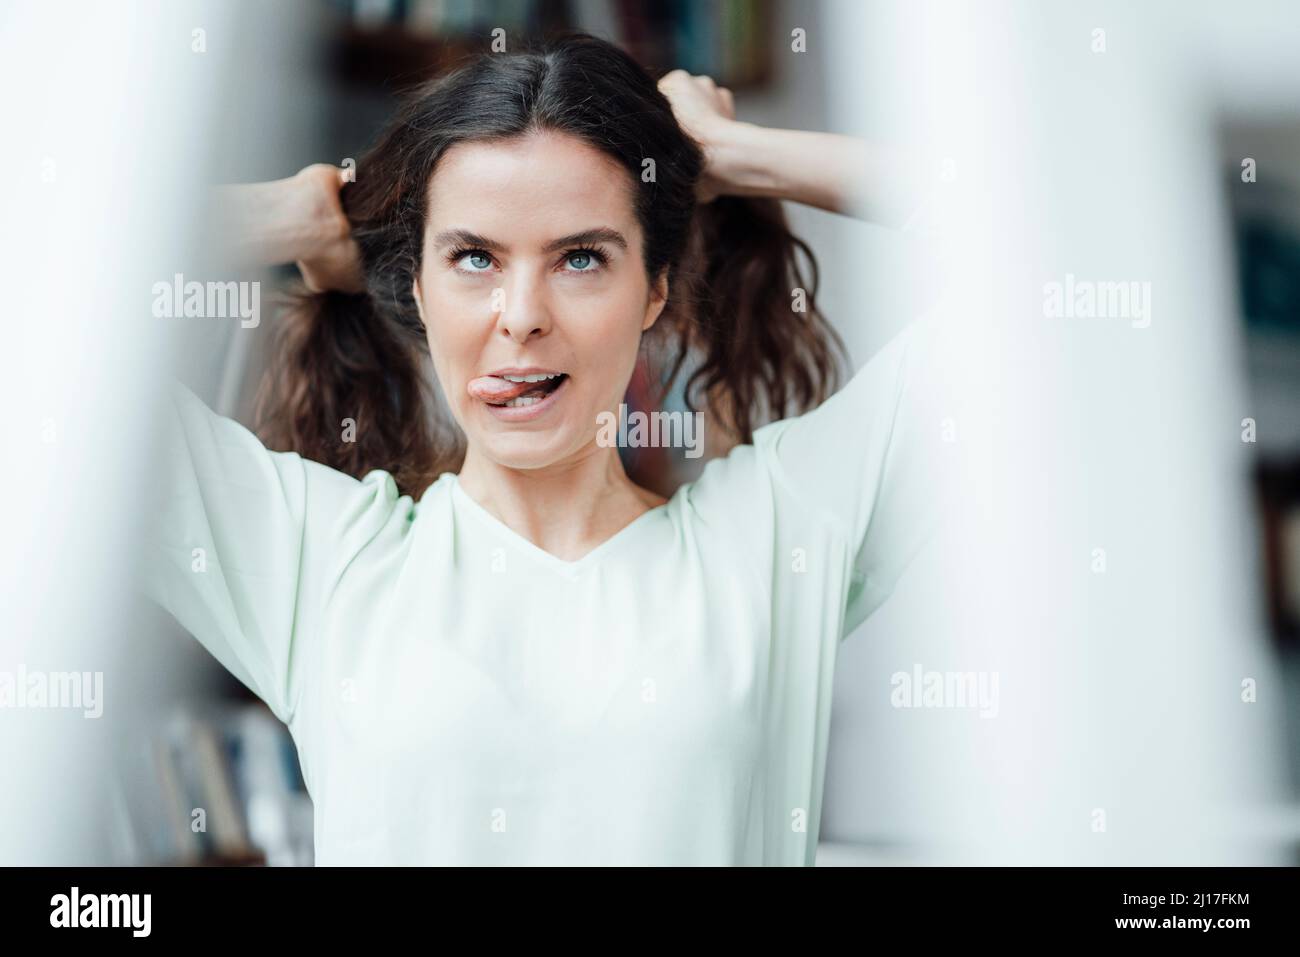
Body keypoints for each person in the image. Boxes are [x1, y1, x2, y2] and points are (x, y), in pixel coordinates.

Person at [142, 33, 943, 865]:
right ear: (418, 285)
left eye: (582, 257)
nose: (520, 314)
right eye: (474, 257)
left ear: (655, 290)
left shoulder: (774, 539)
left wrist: (734, 154)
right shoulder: (317, 559)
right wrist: (295, 216)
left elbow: (1045, 241)